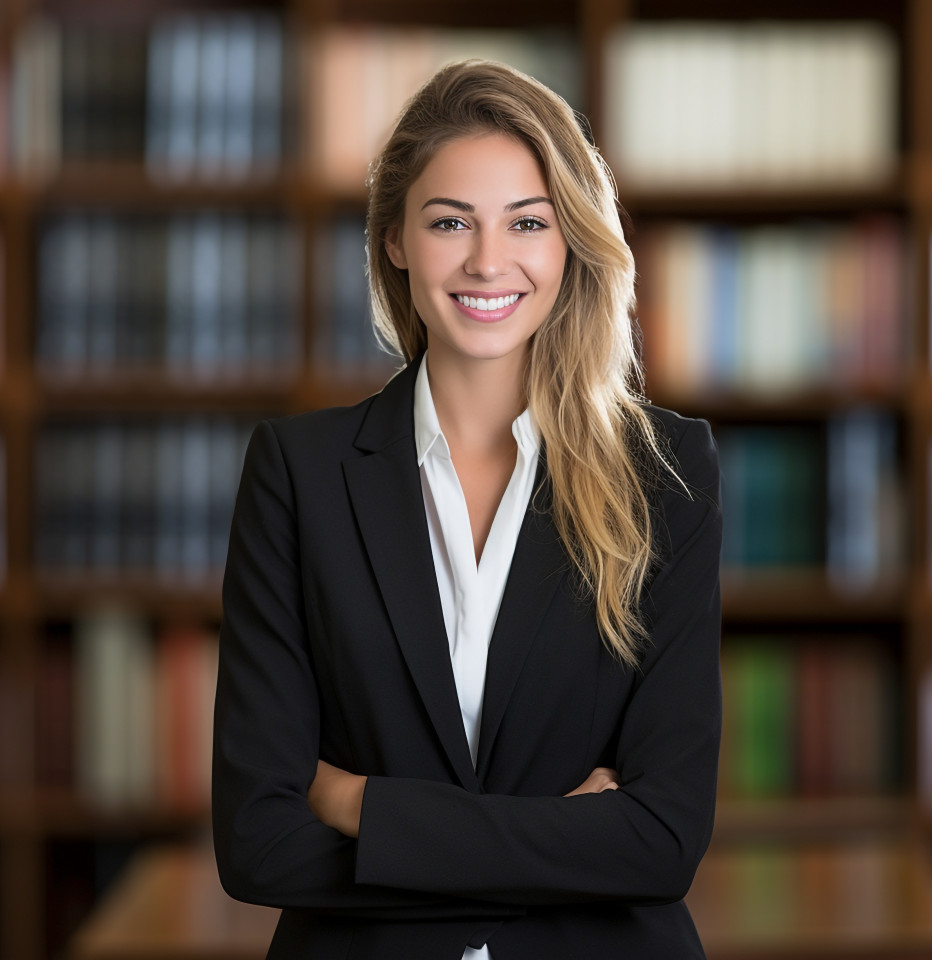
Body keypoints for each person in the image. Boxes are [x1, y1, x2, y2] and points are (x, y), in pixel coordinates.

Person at [212, 59, 722, 959]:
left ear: (570, 241)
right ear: (397, 239)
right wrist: (558, 847)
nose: (490, 261)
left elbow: (662, 843)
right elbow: (258, 846)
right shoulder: (297, 473)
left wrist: (357, 805)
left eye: (527, 222)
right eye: (451, 222)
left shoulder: (666, 472)